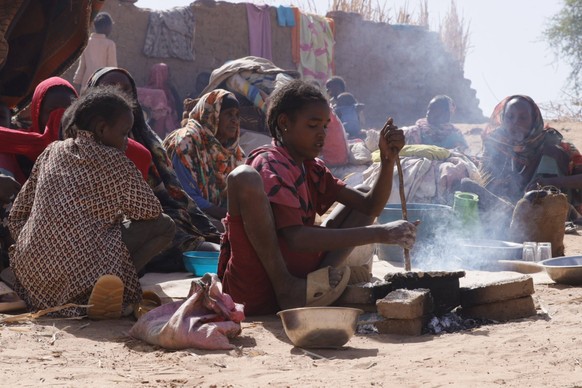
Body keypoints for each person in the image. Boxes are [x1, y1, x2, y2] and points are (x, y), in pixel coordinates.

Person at [218, 80, 417, 315]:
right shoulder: (270, 162)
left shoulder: (311, 168)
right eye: (313, 125)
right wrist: (381, 233)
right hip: (259, 290)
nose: (322, 134)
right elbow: (296, 239)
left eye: (325, 126)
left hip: (303, 280)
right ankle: (287, 288)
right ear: (284, 124)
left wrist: (387, 159)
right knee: (243, 176)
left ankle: (317, 280)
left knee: (362, 192)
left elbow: (370, 205)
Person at [8, 86, 175, 319]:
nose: (127, 142)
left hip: (32, 282)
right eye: (124, 133)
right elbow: (151, 212)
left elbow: (17, 214)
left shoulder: (52, 151)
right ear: (101, 128)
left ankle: (93, 287)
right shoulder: (118, 162)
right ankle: (110, 289)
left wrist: (38, 247)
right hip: (81, 274)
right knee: (165, 225)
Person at [86, 67, 221, 272]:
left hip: (154, 215)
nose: (118, 96)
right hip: (111, 228)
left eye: (125, 90)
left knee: (212, 234)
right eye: (109, 88)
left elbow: (168, 194)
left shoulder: (145, 140)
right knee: (186, 240)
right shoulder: (78, 146)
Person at [164, 90, 244, 231]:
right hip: (181, 215)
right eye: (229, 114)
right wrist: (232, 216)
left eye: (237, 115)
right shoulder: (186, 143)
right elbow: (186, 198)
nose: (235, 121)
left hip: (215, 215)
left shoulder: (233, 152)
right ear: (213, 115)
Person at [480, 95, 582, 205]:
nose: (515, 123)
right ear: (502, 119)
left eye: (523, 118)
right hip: (504, 212)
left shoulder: (556, 144)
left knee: (553, 152)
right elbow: (484, 180)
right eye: (510, 117)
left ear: (534, 120)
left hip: (553, 213)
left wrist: (549, 182)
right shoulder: (496, 144)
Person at [402, 95, 469, 152]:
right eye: (429, 109)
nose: (428, 113)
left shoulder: (455, 134)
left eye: (434, 110)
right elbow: (409, 154)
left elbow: (464, 155)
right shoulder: (416, 131)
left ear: (446, 115)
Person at [73, 12, 117, 93]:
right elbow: (112, 67)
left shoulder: (87, 42)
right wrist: (114, 84)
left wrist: (78, 81)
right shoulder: (110, 44)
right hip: (101, 86)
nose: (111, 29)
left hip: (86, 84)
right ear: (106, 27)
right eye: (111, 26)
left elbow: (82, 65)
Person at [145, 63, 182, 138]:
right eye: (167, 74)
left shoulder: (170, 90)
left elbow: (178, 108)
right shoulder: (150, 93)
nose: (169, 77)